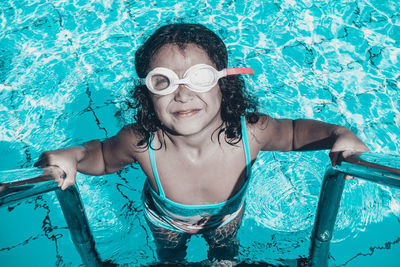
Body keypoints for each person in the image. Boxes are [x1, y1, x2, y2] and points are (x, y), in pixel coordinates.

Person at [34, 23, 370, 264]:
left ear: (225, 83)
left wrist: (336, 133)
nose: (182, 93)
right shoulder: (142, 142)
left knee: (224, 252)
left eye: (199, 78)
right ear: (147, 93)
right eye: (163, 81)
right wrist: (72, 156)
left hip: (226, 218)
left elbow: (296, 133)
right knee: (169, 254)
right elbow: (103, 158)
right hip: (165, 220)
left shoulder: (250, 133)